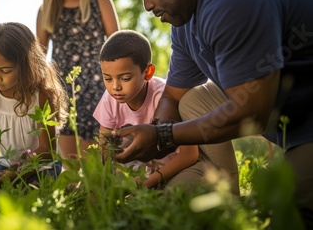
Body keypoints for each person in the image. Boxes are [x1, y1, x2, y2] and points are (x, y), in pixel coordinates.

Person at [119, 0, 313, 227]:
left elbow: (252, 114)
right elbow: (173, 96)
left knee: (288, 215)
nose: (147, 6)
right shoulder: (185, 20)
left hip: (301, 119)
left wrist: (163, 135)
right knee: (191, 100)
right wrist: (155, 137)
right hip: (290, 117)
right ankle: (228, 194)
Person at [94, 30, 230, 190]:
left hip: (174, 168)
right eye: (107, 78)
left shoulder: (165, 98)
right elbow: (104, 150)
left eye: (125, 78)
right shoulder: (109, 100)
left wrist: (150, 181)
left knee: (174, 193)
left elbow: (190, 154)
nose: (115, 87)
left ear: (148, 72)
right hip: (137, 172)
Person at [0, 22, 68, 187]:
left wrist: (14, 175)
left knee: (32, 190)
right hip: (6, 165)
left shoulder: (41, 94)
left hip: (41, 166)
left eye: (5, 70)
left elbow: (47, 151)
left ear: (27, 65)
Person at [37, 0, 120, 158]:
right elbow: (39, 56)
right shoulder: (46, 10)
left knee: (95, 159)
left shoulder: (101, 2)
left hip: (97, 89)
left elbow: (119, 48)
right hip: (63, 91)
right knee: (70, 164)